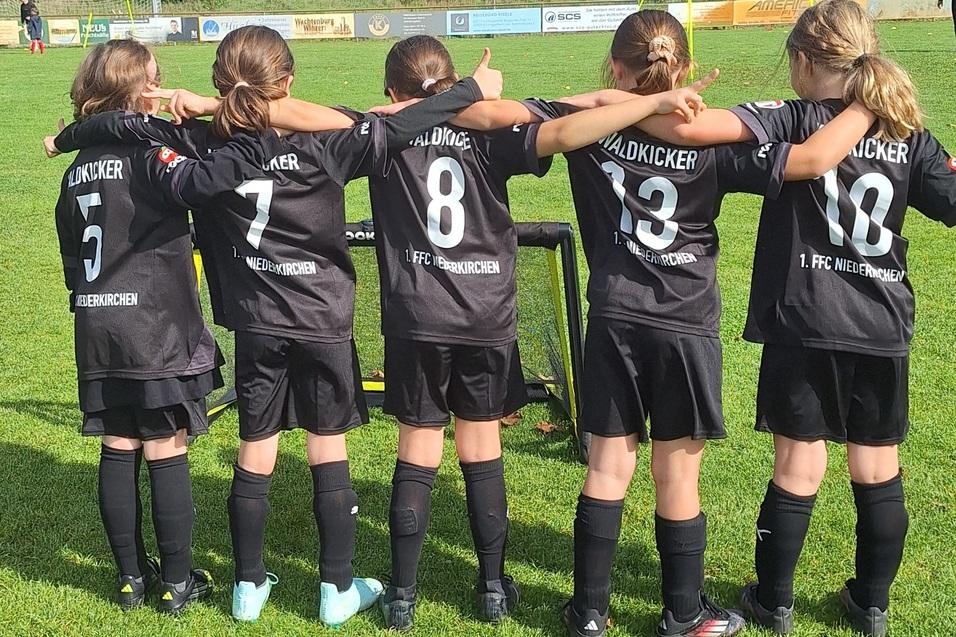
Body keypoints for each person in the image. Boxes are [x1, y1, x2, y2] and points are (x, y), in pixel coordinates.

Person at [50, 25, 505, 627]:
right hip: (322, 319)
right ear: (287, 81)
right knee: (327, 447)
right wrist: (468, 89)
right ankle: (336, 589)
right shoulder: (330, 139)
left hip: (255, 323)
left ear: (220, 84)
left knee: (255, 446)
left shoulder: (201, 141)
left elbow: (121, 124)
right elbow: (394, 126)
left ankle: (246, 586)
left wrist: (70, 135)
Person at [449, 9, 876, 637]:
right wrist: (870, 101)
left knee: (606, 468)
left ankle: (588, 613)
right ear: (687, 69)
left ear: (616, 68)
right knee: (677, 473)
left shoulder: (586, 128)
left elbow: (495, 120)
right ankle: (683, 613)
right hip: (685, 323)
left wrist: (590, 100)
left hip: (616, 317)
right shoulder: (714, 136)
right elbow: (811, 160)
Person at [355, 35, 720, 631]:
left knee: (416, 450)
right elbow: (568, 127)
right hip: (485, 317)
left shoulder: (385, 130)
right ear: (457, 82)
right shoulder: (493, 129)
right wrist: (648, 105)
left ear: (392, 91)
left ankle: (401, 595)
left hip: (415, 316)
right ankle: (494, 587)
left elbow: (323, 124)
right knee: (481, 447)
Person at [53, 39, 221, 614]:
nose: (163, 84)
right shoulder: (150, 151)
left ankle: (130, 579)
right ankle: (177, 582)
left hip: (98, 326)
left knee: (118, 445)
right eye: (155, 78)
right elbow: (202, 184)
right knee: (164, 446)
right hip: (155, 327)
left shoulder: (75, 166)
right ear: (134, 88)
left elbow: (71, 260)